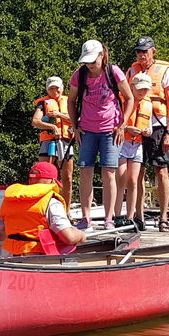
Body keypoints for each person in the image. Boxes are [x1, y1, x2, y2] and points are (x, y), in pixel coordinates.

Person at [65, 39, 134, 230]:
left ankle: (109, 218)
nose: (90, 66)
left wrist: (123, 125)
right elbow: (71, 100)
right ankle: (86, 218)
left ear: (101, 56)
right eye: (86, 62)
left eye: (93, 61)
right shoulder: (79, 75)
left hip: (110, 129)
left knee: (109, 172)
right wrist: (74, 126)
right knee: (85, 171)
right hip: (86, 129)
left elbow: (129, 98)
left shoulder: (113, 72)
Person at [128, 36, 169, 230]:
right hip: (136, 125)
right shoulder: (132, 71)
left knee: (161, 170)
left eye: (145, 51)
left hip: (158, 125)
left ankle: (164, 218)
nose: (141, 55)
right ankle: (138, 217)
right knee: (136, 173)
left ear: (153, 52)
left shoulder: (164, 71)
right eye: (139, 51)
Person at [0, 161, 86, 256]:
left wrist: (14, 237)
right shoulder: (51, 201)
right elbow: (68, 237)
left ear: (30, 180)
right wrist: (81, 236)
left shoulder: (10, 199)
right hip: (35, 258)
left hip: (7, 256)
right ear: (52, 181)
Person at [115, 73, 154, 229]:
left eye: (145, 90)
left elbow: (150, 126)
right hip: (122, 142)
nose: (142, 92)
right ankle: (117, 215)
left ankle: (130, 217)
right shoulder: (122, 102)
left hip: (137, 145)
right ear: (131, 87)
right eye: (140, 89)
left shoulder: (148, 104)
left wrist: (147, 132)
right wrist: (127, 128)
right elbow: (115, 122)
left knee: (133, 181)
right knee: (121, 180)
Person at [32, 75, 74, 195]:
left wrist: (60, 115)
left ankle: (66, 210)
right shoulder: (43, 104)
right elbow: (35, 121)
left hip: (66, 141)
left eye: (57, 88)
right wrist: (52, 127)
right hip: (48, 141)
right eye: (51, 89)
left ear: (62, 87)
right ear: (47, 90)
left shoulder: (70, 101)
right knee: (44, 176)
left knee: (68, 179)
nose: (55, 91)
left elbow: (79, 120)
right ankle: (44, 205)